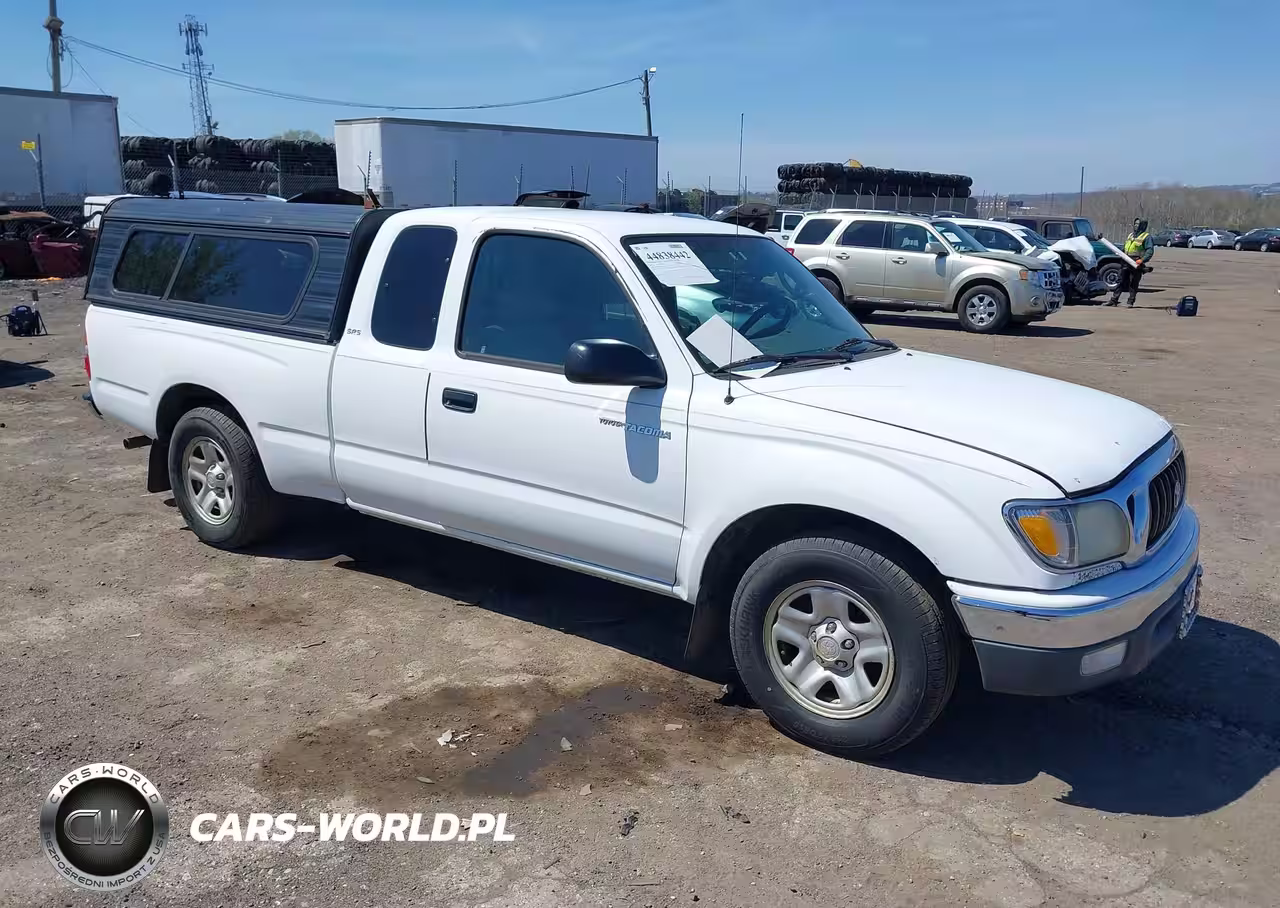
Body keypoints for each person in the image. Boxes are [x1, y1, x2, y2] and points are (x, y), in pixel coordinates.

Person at [1108, 217, 1154, 307]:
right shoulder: (1131, 235)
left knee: (1133, 282)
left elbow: (1150, 251)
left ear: (1143, 226)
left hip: (1136, 262)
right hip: (1125, 260)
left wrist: (1142, 260)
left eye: (1138, 224)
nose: (1136, 226)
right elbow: (1126, 246)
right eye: (1135, 224)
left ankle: (1130, 302)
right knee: (1120, 280)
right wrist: (1120, 252)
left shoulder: (1146, 237)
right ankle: (1114, 300)